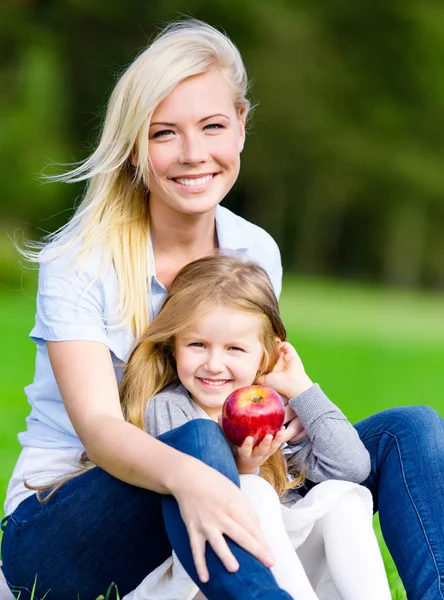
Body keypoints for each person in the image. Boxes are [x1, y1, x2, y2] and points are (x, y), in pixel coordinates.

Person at [0, 17, 443, 600]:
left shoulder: (254, 251)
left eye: (212, 126)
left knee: (413, 430)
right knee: (198, 442)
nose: (193, 154)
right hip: (68, 520)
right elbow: (103, 431)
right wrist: (197, 474)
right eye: (163, 134)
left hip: (227, 476)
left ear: (240, 128)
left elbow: (250, 397)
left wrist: (286, 419)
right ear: (134, 149)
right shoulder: (82, 261)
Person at [115, 253, 391, 600]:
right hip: (202, 574)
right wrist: (247, 468)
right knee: (255, 491)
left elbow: (351, 468)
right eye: (197, 344)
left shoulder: (272, 410)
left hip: (277, 566)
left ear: (264, 355)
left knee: (342, 497)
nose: (214, 364)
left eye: (234, 348)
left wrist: (302, 388)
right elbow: (201, 497)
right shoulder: (168, 409)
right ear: (173, 346)